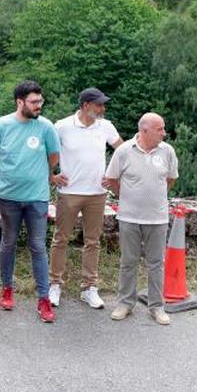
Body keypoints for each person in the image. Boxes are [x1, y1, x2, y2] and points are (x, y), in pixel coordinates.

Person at [0, 80, 63, 324]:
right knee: (8, 243)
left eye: (40, 101)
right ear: (20, 102)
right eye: (33, 102)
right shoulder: (1, 125)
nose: (39, 105)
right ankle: (7, 289)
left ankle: (43, 299)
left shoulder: (46, 127)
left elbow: (53, 156)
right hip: (8, 197)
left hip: (37, 198)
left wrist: (39, 173)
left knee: (38, 246)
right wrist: (14, 170)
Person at [49, 88, 123, 310]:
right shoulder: (61, 126)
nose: (103, 109)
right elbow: (47, 152)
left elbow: (122, 150)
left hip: (97, 194)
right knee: (61, 238)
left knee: (93, 241)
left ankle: (89, 287)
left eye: (102, 105)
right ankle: (55, 284)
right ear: (85, 105)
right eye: (99, 105)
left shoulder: (106, 126)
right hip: (69, 192)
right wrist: (50, 176)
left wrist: (112, 176)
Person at [105, 113, 178, 326]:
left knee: (156, 263)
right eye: (160, 129)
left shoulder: (167, 151)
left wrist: (153, 196)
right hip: (129, 216)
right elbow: (112, 179)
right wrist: (127, 197)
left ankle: (157, 306)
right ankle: (125, 303)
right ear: (145, 130)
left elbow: (171, 179)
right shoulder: (124, 151)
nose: (164, 133)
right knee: (128, 261)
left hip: (157, 217)